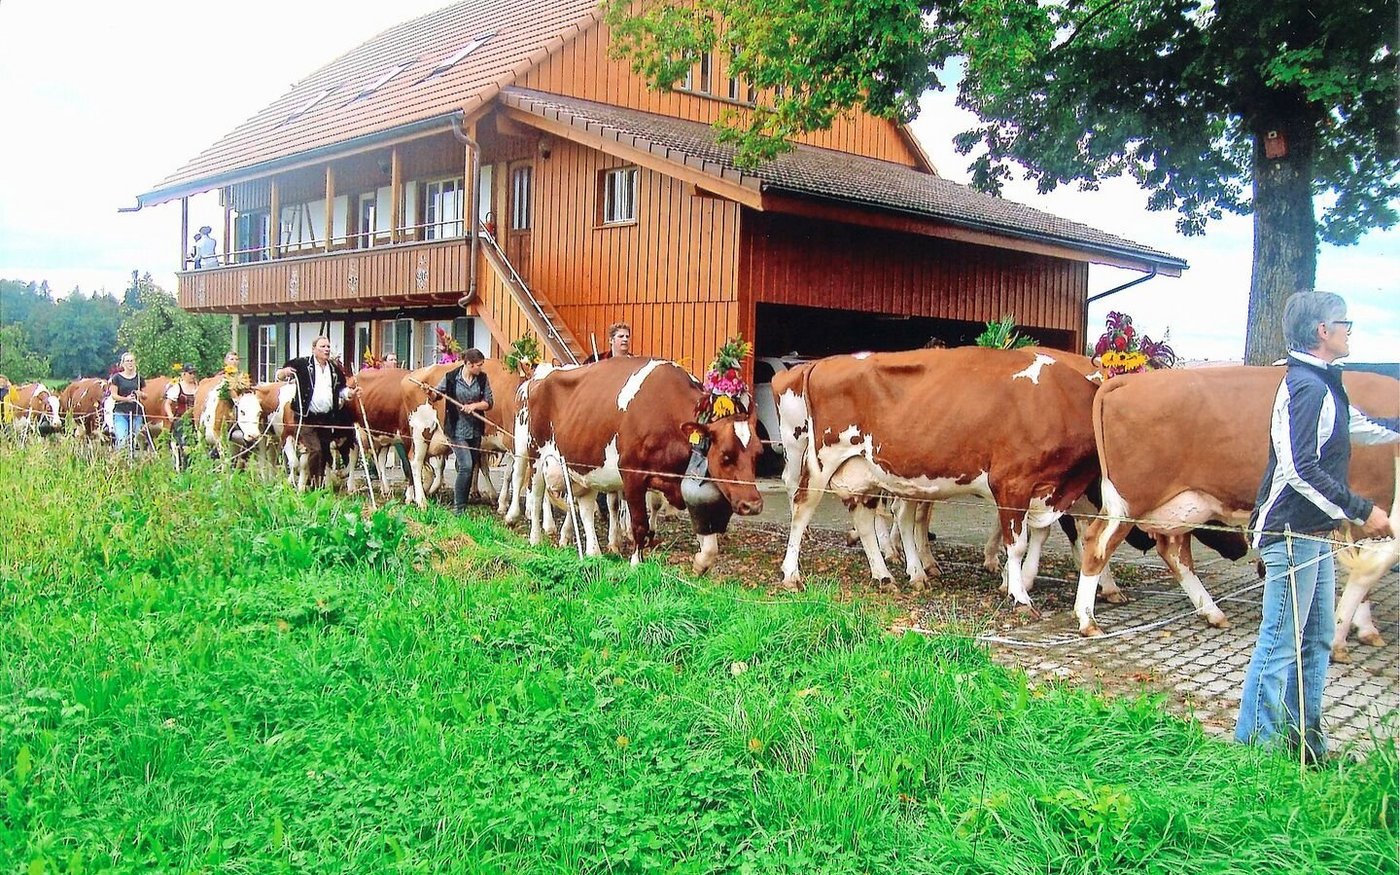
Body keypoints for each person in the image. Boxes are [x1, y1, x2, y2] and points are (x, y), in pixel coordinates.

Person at [1236, 290, 1399, 764]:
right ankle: (1255, 756)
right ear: (1322, 332)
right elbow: (1300, 468)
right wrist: (1363, 510)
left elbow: (1356, 428)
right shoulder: (1306, 386)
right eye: (1344, 322)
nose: (1350, 330)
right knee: (1281, 640)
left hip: (1314, 532)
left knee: (1317, 639)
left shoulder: (1324, 382)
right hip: (1289, 532)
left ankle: (1303, 746)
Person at [275, 336, 358, 486]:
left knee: (325, 452)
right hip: (307, 417)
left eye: (328, 346)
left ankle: (317, 484)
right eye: (323, 346)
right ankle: (313, 483)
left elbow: (341, 390)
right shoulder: (302, 364)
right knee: (316, 449)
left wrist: (349, 394)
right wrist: (284, 372)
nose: (326, 349)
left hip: (326, 418)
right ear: (314, 349)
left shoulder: (334, 370)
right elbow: (280, 374)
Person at [431, 348, 493, 513]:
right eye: (478, 365)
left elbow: (488, 402)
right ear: (468, 364)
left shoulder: (482, 379)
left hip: (475, 429)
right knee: (466, 465)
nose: (481, 368)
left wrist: (474, 406)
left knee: (468, 467)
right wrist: (430, 392)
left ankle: (463, 502)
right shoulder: (451, 378)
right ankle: (459, 508)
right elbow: (436, 394)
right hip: (456, 428)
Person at [164, 363, 200, 470]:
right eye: (190, 373)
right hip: (181, 420)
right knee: (183, 446)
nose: (193, 375)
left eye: (194, 373)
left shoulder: (198, 387)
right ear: (184, 374)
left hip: (195, 421)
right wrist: (170, 415)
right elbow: (167, 403)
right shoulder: (178, 387)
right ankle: (183, 468)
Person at [110, 352, 146, 452]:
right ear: (123, 364)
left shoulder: (139, 378)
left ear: (135, 363)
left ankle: (136, 463)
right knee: (122, 440)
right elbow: (114, 396)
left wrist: (141, 394)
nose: (130, 363)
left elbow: (145, 395)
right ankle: (121, 462)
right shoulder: (116, 378)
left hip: (136, 413)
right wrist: (126, 399)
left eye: (132, 361)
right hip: (121, 413)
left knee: (137, 440)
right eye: (127, 361)